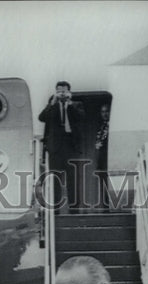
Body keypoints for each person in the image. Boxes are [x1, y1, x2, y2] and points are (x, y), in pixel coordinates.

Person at [38, 81, 86, 213]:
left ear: (69, 92)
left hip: (71, 147)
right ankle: (56, 213)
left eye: (64, 91)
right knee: (56, 181)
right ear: (56, 92)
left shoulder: (77, 105)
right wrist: (52, 103)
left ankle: (74, 212)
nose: (62, 94)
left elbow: (81, 117)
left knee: (73, 181)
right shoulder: (52, 106)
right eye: (59, 91)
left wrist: (69, 105)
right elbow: (41, 118)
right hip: (56, 149)